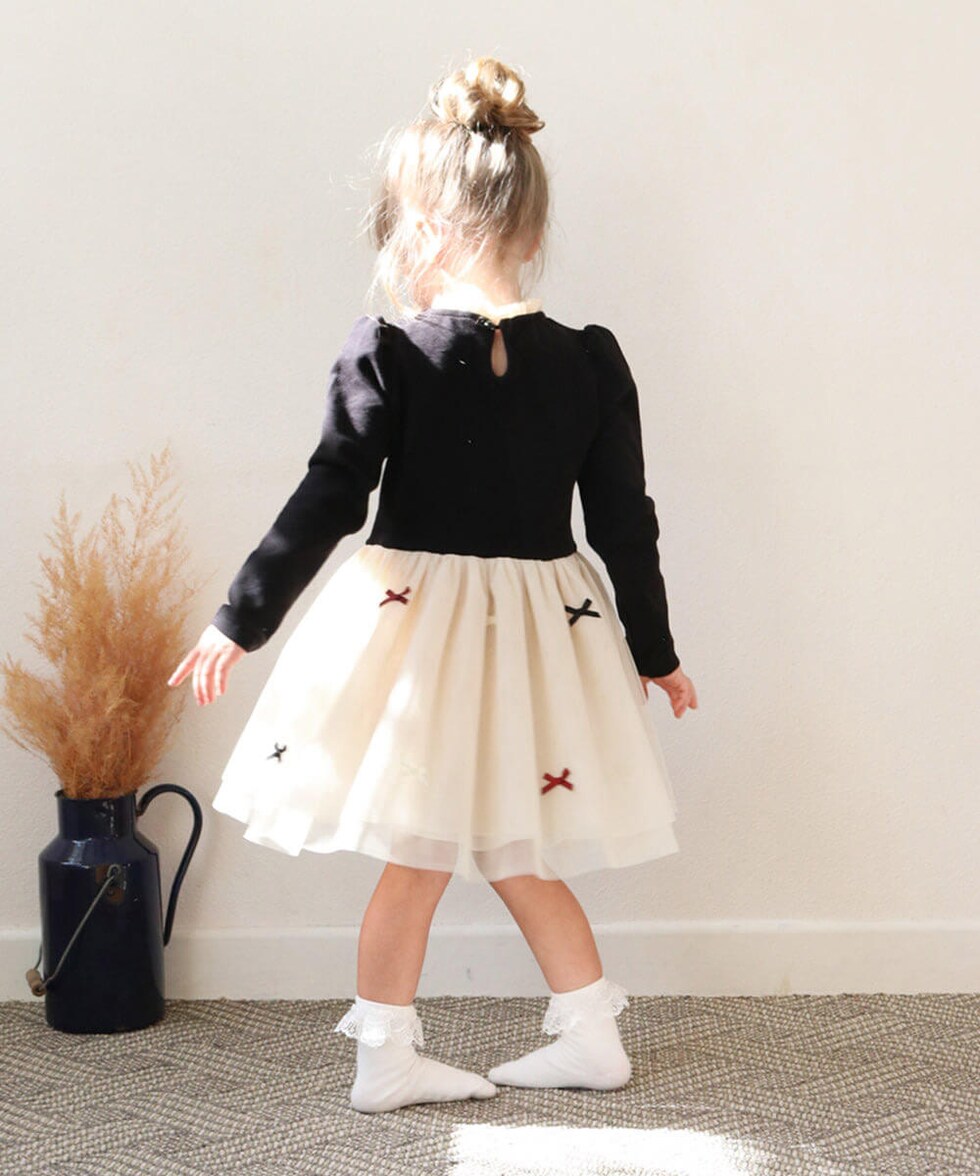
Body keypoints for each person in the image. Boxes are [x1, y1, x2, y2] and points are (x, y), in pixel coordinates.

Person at [168, 55, 698, 1115]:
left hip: (410, 630)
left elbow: (329, 496)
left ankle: (389, 1060)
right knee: (515, 848)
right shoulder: (590, 361)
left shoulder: (388, 351)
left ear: (418, 229)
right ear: (532, 231)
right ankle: (588, 1036)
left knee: (417, 856)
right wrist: (654, 650)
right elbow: (623, 524)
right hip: (545, 632)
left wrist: (240, 619)